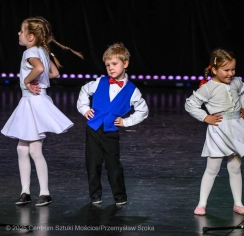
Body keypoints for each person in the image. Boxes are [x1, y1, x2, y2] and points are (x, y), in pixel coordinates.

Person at [1, 16, 83, 206]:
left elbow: (38, 68)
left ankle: (44, 192)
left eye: (21, 31)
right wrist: (35, 79)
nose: (18, 34)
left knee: (33, 150)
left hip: (32, 103)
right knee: (23, 148)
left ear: (31, 37)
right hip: (35, 101)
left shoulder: (29, 52)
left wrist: (27, 81)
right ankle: (26, 192)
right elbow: (54, 73)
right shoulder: (43, 51)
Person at [185, 48, 244, 216]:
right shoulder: (208, 87)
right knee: (212, 168)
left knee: (235, 167)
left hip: (236, 127)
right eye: (226, 70)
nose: (230, 73)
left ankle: (238, 203)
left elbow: (243, 92)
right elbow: (190, 104)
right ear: (214, 70)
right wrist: (206, 117)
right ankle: (202, 203)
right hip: (219, 130)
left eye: (233, 69)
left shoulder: (236, 82)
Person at [77, 42, 149, 206]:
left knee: (113, 165)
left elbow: (143, 110)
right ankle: (95, 195)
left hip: (110, 131)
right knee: (93, 163)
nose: (110, 67)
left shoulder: (132, 90)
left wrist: (126, 121)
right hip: (93, 129)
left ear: (125, 64)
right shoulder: (99, 82)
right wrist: (84, 109)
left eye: (114, 64)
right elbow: (84, 91)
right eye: (108, 64)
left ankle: (120, 196)